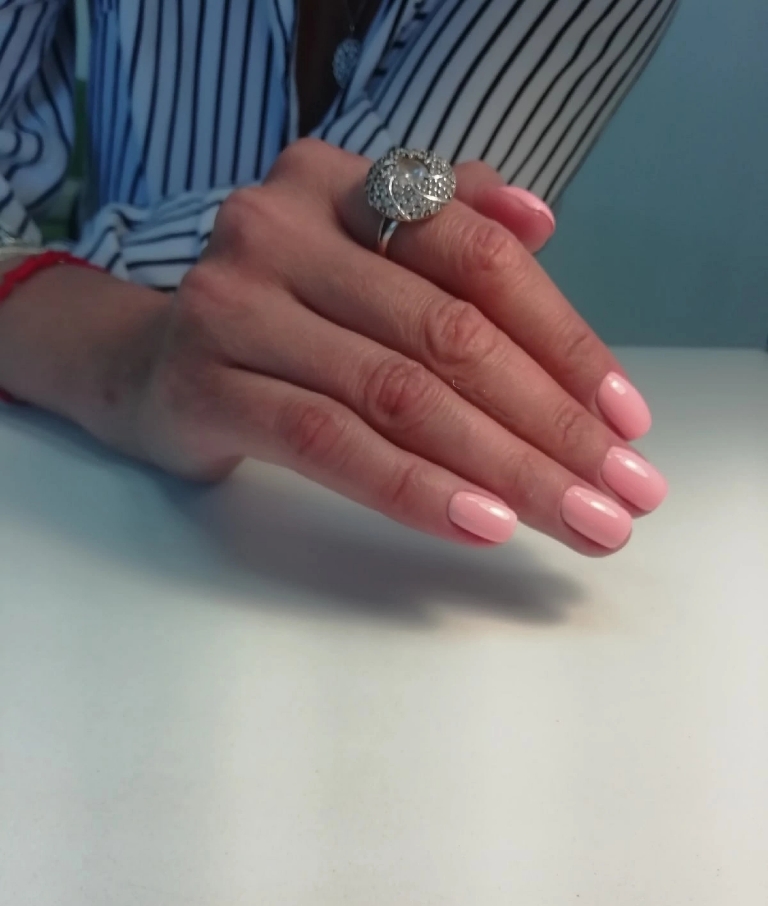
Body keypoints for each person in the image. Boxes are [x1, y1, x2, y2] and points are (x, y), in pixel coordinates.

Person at [0, 0, 674, 554]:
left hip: (317, 529)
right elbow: (355, 252)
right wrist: (126, 354)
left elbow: (409, 242)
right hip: (88, 496)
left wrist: (59, 290)